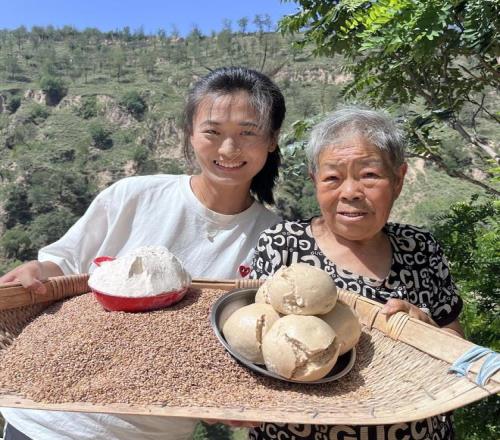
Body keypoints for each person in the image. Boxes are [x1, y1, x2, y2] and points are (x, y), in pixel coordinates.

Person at [0, 66, 285, 440]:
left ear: (272, 139)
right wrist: (36, 270)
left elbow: (261, 340)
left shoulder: (275, 238)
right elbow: (62, 264)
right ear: (190, 133)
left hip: (155, 430)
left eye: (247, 133)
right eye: (212, 132)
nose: (228, 149)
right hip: (49, 420)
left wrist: (244, 396)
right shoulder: (133, 196)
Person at [249, 107, 464, 440]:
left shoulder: (420, 247)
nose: (350, 192)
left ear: (399, 179)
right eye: (332, 178)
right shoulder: (282, 245)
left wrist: (425, 331)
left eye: (369, 175)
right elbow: (251, 342)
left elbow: (458, 347)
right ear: (314, 181)